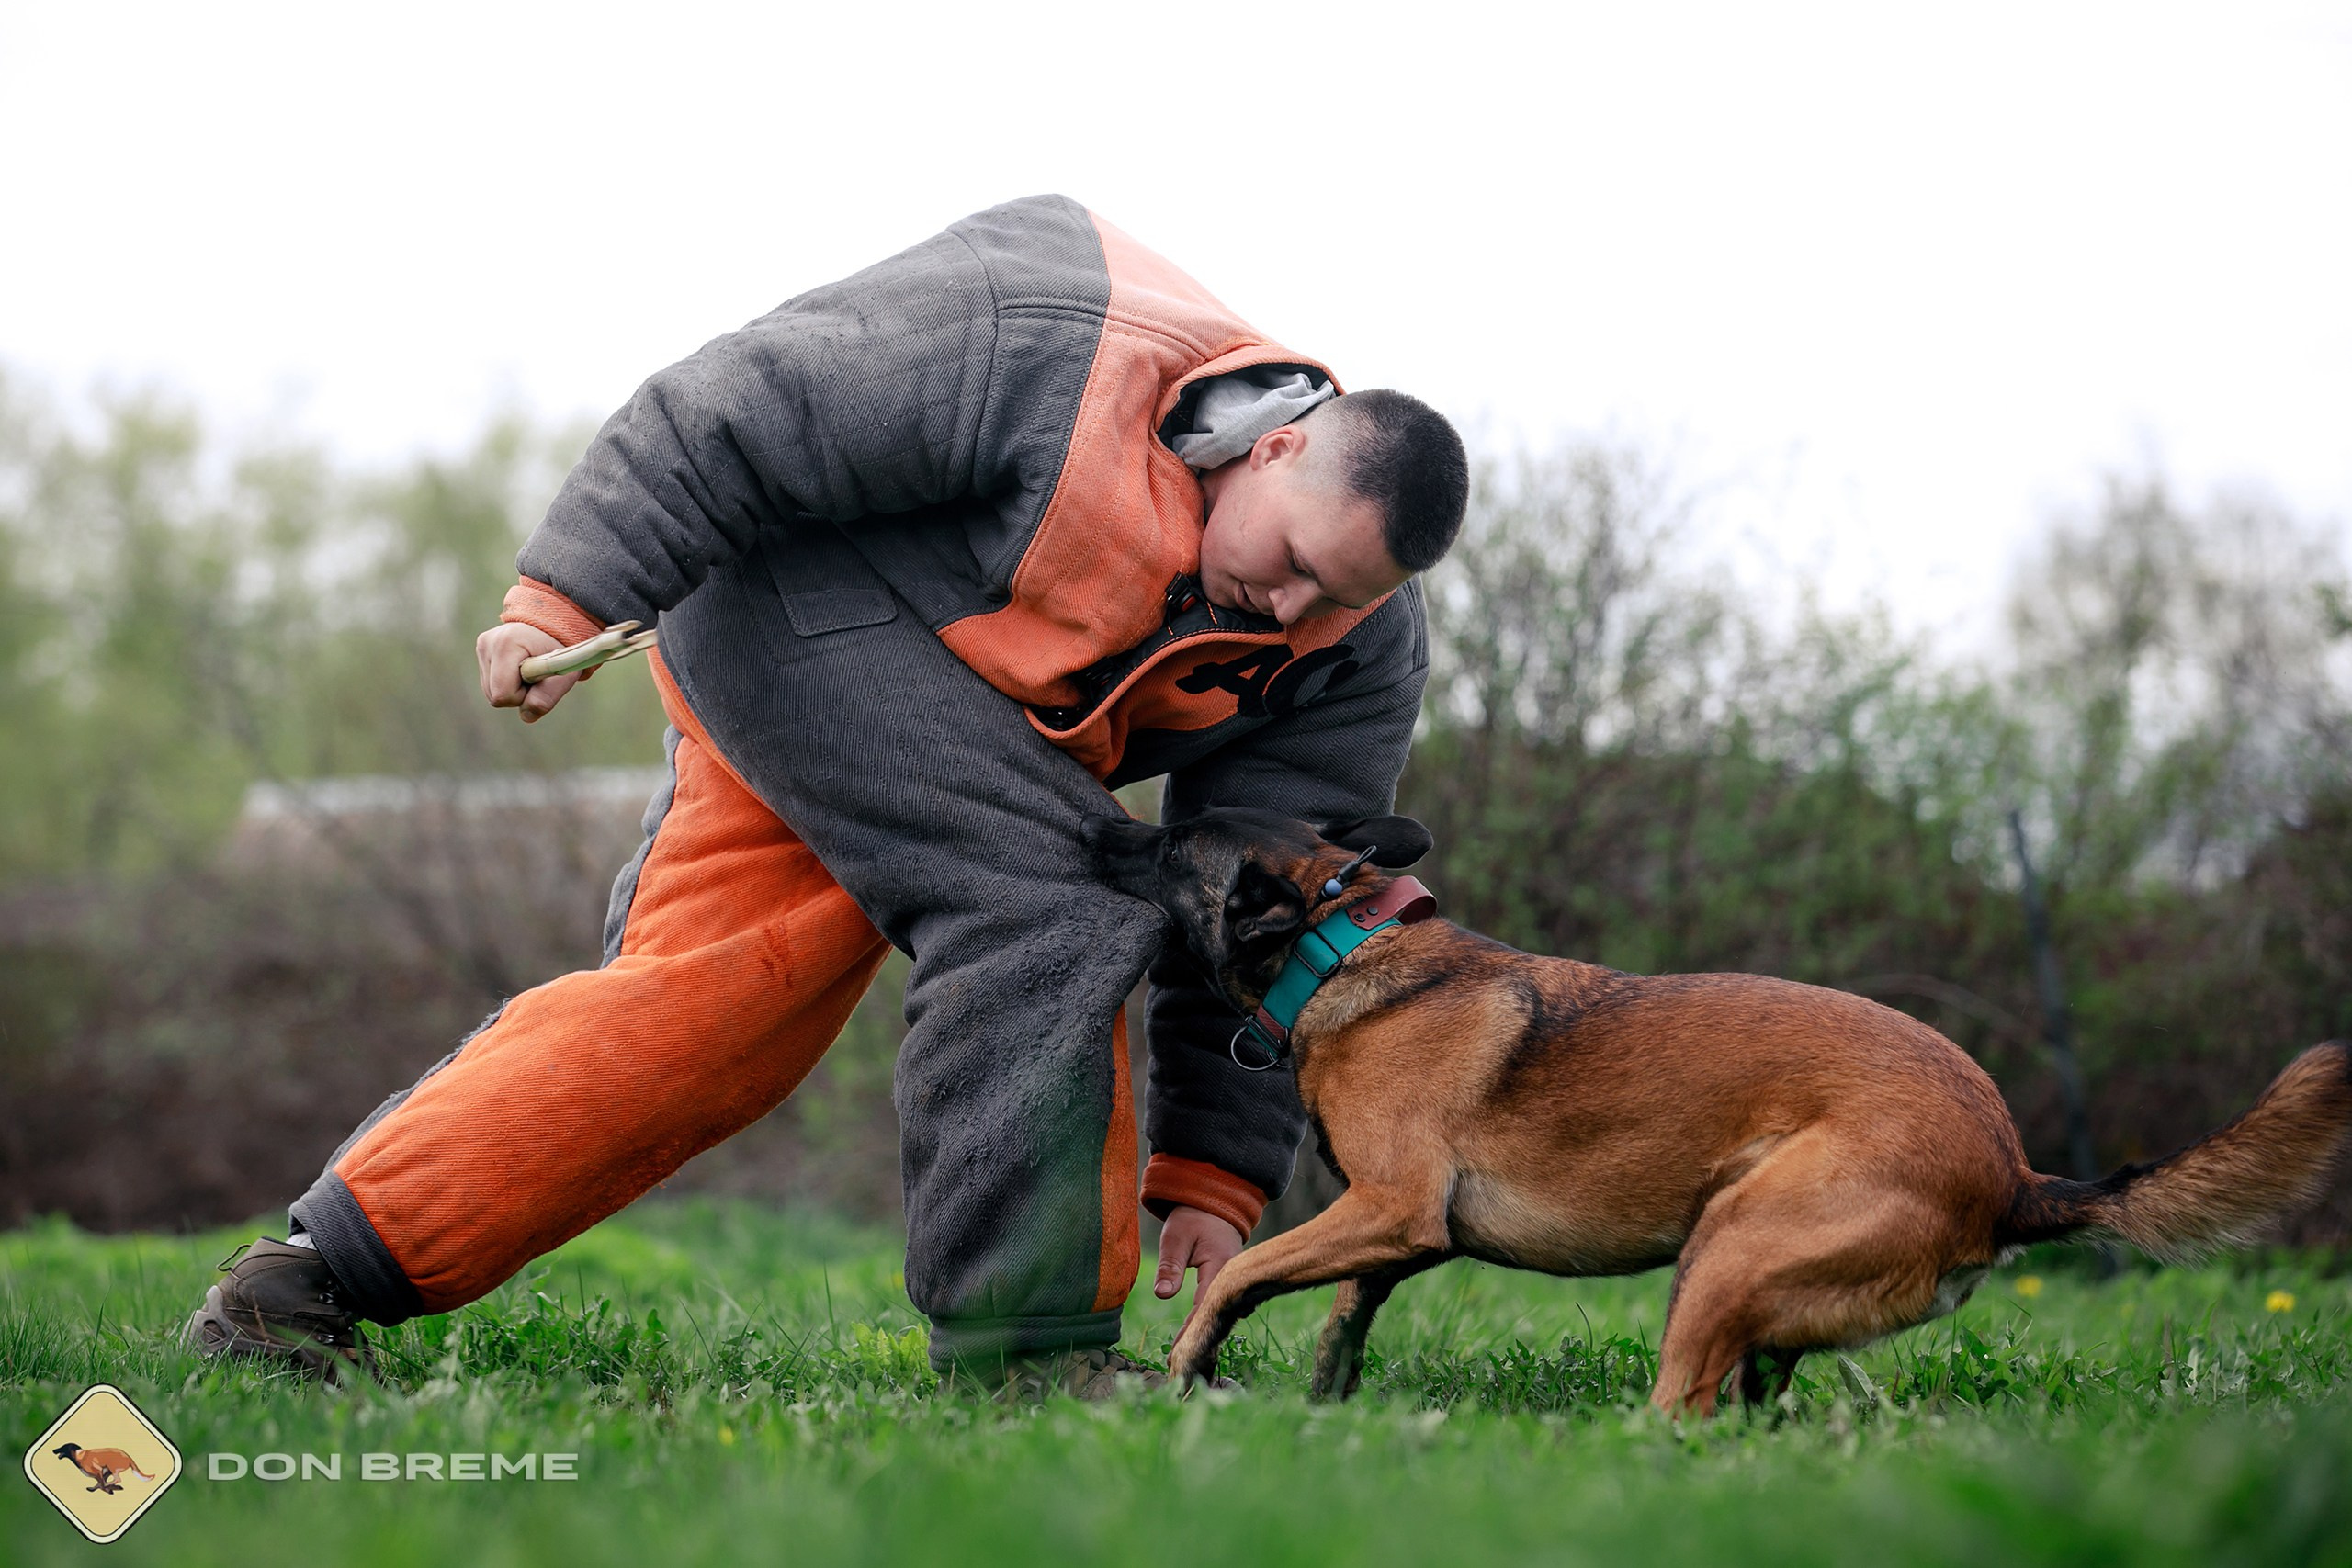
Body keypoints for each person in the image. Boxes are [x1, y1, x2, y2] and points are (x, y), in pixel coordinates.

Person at [186, 195, 1469, 1396]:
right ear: (1277, 445)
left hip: (952, 741)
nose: (1295, 610)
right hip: (780, 614)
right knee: (1057, 901)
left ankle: (303, 1280)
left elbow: (1261, 897)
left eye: (1339, 597)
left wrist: (1216, 1165)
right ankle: (1032, 1355)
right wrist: (563, 595)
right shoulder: (1046, 343)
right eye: (1294, 562)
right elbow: (729, 409)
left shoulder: (1351, 645)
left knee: (714, 1017)